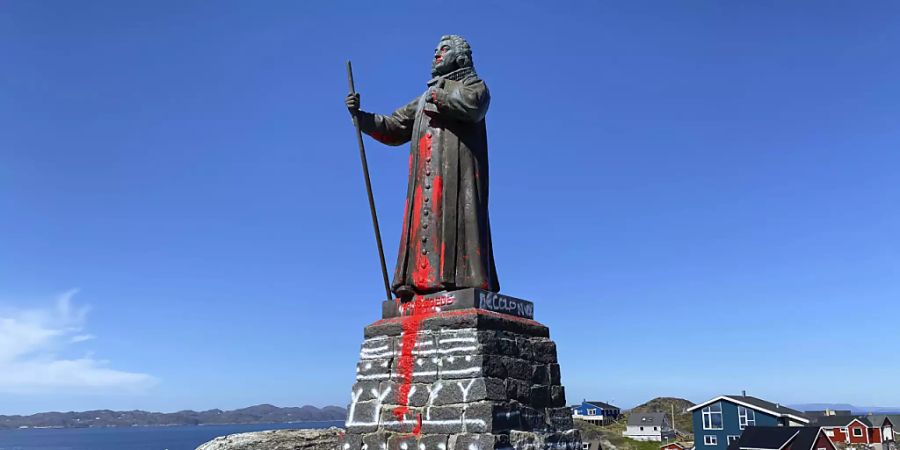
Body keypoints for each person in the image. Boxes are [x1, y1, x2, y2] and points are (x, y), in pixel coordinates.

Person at [345, 35, 499, 301]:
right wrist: (362, 118)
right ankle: (417, 282)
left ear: (460, 57)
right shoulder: (424, 97)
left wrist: (438, 95)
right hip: (425, 179)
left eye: (445, 49)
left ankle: (460, 281)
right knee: (423, 224)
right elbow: (393, 125)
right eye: (435, 50)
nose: (437, 54)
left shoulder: (473, 85)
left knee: (458, 223)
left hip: (456, 178)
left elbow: (474, 106)